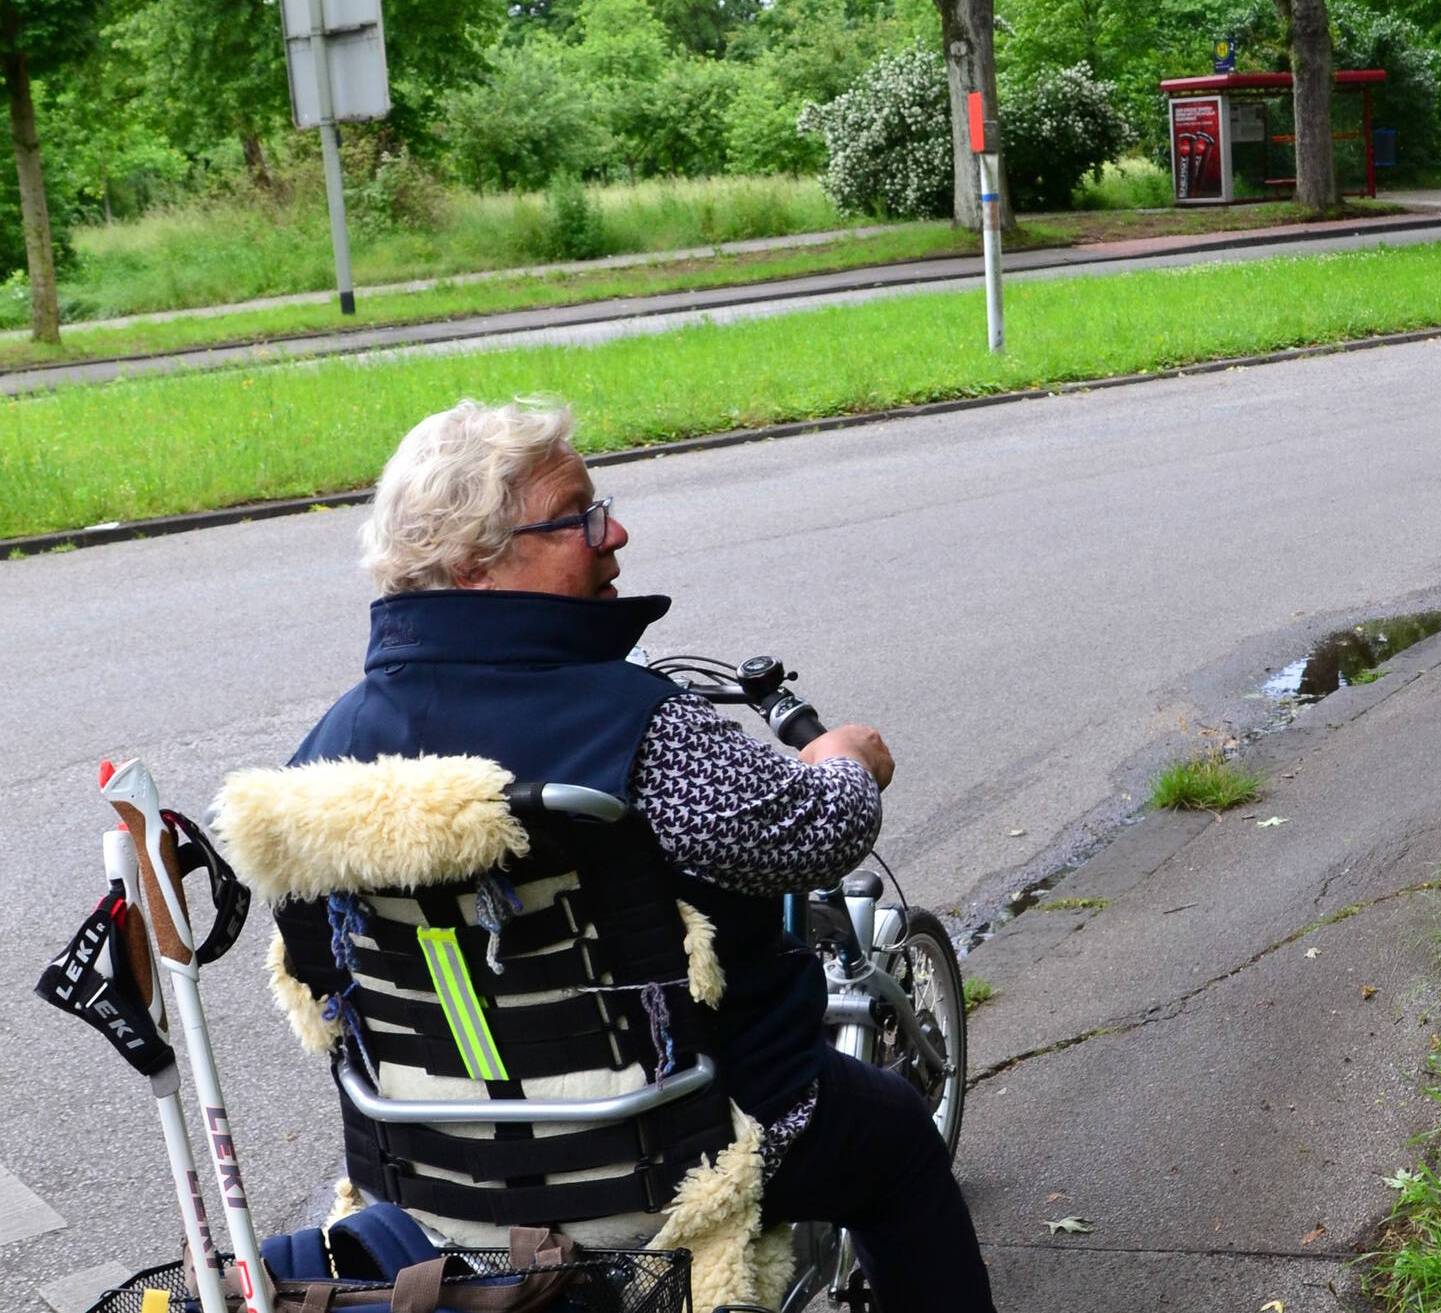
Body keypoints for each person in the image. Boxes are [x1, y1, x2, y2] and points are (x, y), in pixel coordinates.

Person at [264, 400, 995, 1312]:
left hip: (441, 1178)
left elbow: (324, 980)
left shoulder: (320, 763)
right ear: (473, 564)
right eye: (577, 517)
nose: (615, 530)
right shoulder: (639, 730)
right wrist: (845, 762)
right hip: (686, 1145)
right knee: (899, 1148)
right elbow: (815, 833)